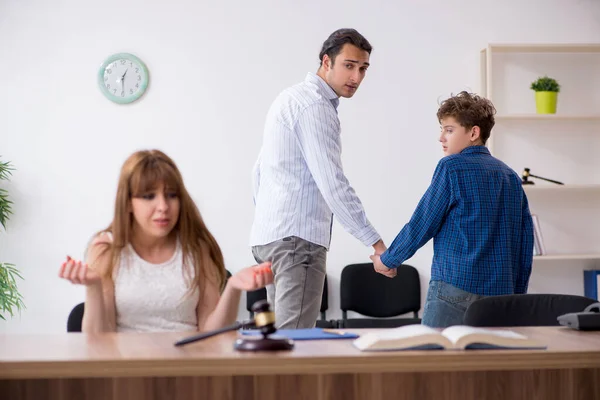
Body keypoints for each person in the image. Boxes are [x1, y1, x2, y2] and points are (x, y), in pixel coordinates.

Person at [250, 28, 386, 329]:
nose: (357, 77)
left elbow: (258, 171)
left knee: (278, 341)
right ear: (327, 62)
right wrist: (375, 243)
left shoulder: (290, 98)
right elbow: (333, 184)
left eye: (363, 68)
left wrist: (269, 221)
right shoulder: (315, 106)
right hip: (298, 242)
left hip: (270, 238)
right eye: (349, 65)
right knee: (296, 346)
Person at [59, 149, 273, 333]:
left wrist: (233, 287)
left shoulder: (196, 248)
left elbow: (210, 331)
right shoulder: (107, 249)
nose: (163, 206)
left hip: (187, 369)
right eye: (148, 196)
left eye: (171, 195)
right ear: (128, 203)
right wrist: (93, 286)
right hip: (126, 371)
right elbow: (98, 338)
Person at [370, 91, 534, 328]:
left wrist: (388, 260)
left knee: (436, 360)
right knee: (489, 362)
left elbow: (423, 223)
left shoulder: (451, 167)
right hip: (501, 295)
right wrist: (516, 297)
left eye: (449, 129)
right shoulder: (509, 176)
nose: (441, 137)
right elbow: (523, 243)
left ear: (474, 133)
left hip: (454, 288)